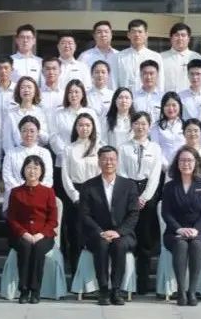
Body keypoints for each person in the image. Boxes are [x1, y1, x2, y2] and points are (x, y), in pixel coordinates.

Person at [77, 146, 140, 306]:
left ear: (117, 161)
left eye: (112, 159)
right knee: (102, 244)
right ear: (99, 162)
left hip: (122, 234)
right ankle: (104, 289)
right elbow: (84, 214)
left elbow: (134, 214)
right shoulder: (88, 186)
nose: (108, 162)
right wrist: (100, 232)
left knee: (119, 245)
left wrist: (119, 232)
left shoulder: (129, 185)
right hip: (96, 233)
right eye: (104, 159)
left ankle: (116, 290)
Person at [161, 147, 201, 306]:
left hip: (200, 232)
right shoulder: (169, 187)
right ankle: (181, 292)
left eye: (189, 160)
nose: (186, 164)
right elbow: (166, 213)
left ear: (196, 163)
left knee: (196, 244)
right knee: (181, 244)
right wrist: (179, 229)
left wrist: (195, 229)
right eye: (182, 160)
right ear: (177, 164)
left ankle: (192, 291)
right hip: (174, 232)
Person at [117, 112, 163, 294]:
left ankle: (142, 283)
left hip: (147, 195)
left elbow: (155, 175)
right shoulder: (123, 147)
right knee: (128, 236)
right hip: (128, 191)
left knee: (145, 240)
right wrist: (131, 197)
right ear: (132, 125)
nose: (140, 127)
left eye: (144, 123)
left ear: (149, 126)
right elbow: (121, 172)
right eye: (136, 123)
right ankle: (125, 284)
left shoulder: (155, 148)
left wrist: (144, 197)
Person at [7, 155, 58, 304]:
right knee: (25, 247)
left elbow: (53, 220)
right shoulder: (16, 192)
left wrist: (41, 234)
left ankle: (35, 290)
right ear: (23, 170)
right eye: (29, 167)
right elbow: (11, 218)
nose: (32, 171)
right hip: (21, 234)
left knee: (38, 249)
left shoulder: (48, 192)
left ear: (41, 171)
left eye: (36, 168)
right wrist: (24, 233)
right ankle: (24, 290)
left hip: (44, 235)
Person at [62, 113, 102, 269]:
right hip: (75, 194)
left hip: (95, 194)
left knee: (95, 233)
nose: (84, 128)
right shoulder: (69, 149)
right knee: (76, 235)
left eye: (87, 125)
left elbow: (103, 173)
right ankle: (76, 273)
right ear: (76, 128)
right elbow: (65, 176)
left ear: (93, 127)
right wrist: (75, 196)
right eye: (80, 125)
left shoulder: (99, 147)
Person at [2, 116, 54, 210]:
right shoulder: (11, 153)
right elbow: (8, 178)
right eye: (24, 131)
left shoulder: (45, 153)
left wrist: (34, 194)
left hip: (39, 200)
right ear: (20, 132)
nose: (28, 134)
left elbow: (47, 178)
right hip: (16, 200)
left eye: (32, 131)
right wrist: (23, 194)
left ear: (38, 132)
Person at [114, 19, 165, 93]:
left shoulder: (155, 57)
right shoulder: (119, 57)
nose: (137, 35)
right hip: (125, 98)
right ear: (128, 35)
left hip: (148, 97)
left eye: (140, 32)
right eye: (133, 32)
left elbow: (160, 82)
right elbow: (115, 82)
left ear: (146, 35)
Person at [3, 76, 48, 150]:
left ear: (35, 91)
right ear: (18, 91)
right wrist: (13, 154)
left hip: (36, 153)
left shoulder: (40, 112)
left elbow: (45, 139)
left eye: (29, 87)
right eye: (22, 87)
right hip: (16, 153)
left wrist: (35, 131)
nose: (26, 90)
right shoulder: (11, 114)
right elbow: (7, 142)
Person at [161, 23, 201, 93]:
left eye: (183, 35)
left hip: (190, 97)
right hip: (167, 98)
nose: (180, 38)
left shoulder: (197, 58)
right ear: (171, 38)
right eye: (176, 35)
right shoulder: (161, 58)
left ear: (188, 39)